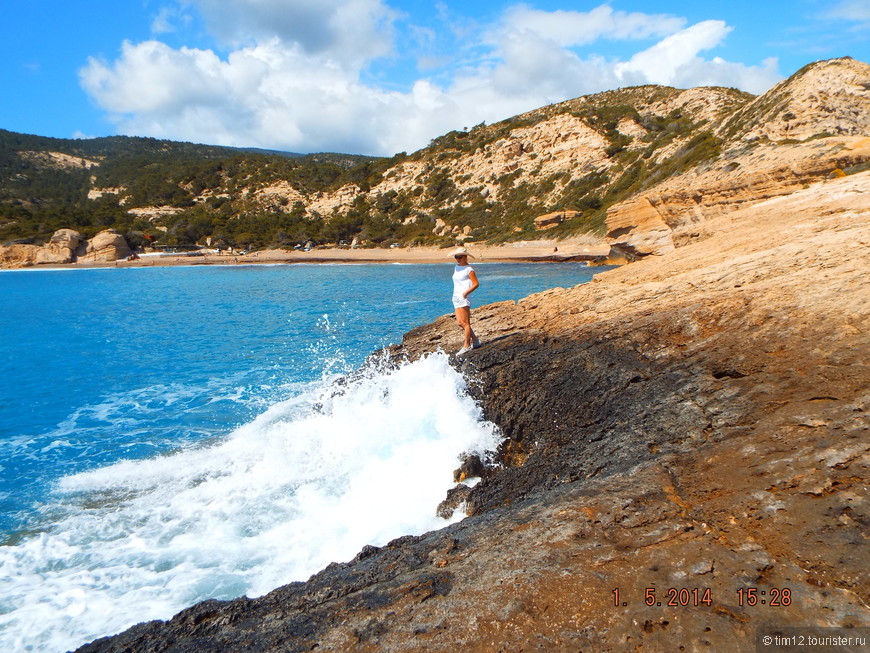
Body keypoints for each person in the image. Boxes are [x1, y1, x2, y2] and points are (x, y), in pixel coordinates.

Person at [451, 247, 481, 355]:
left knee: (465, 322)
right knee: (460, 322)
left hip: (464, 296)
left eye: (459, 257)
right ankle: (476, 341)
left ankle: (467, 345)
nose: (457, 259)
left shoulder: (469, 270)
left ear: (465, 257)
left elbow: (476, 284)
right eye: (456, 257)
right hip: (456, 296)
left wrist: (465, 293)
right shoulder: (457, 267)